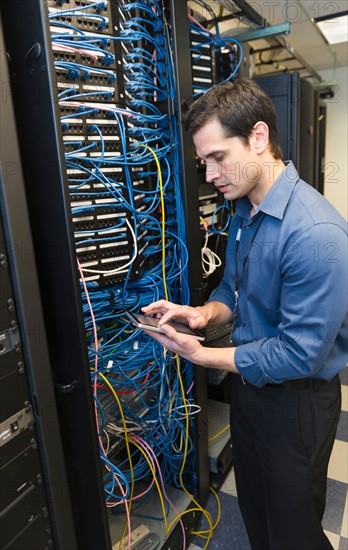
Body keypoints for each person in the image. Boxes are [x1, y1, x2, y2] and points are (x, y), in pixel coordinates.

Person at [142, 78, 348, 550]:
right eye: (204, 162)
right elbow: (233, 293)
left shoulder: (316, 234)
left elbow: (298, 355)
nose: (211, 174)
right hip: (251, 390)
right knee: (255, 507)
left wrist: (201, 355)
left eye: (217, 157)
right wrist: (200, 314)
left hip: (298, 404)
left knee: (293, 528)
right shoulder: (245, 212)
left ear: (258, 137)